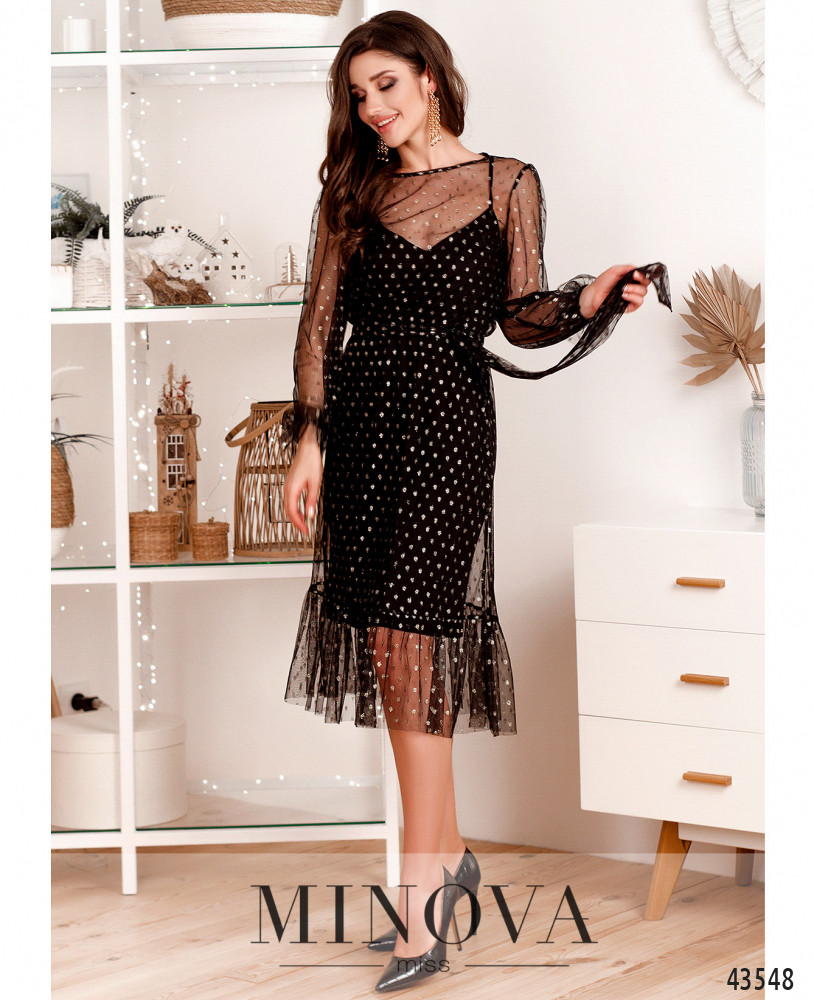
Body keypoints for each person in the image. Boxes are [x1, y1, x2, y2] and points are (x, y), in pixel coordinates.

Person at [281, 10, 671, 993]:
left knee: (415, 635)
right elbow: (320, 321)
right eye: (357, 94)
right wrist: (309, 440)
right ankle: (448, 855)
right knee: (387, 643)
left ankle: (420, 903)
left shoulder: (507, 182)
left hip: (450, 428)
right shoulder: (352, 192)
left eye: (385, 83)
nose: (372, 107)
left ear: (430, 76)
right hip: (362, 426)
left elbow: (520, 316)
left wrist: (587, 299)